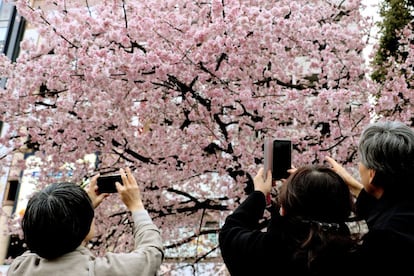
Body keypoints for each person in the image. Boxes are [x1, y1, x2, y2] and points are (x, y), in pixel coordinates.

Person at [7, 167, 164, 276]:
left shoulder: (19, 268)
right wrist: (136, 206)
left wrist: (78, 209)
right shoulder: (99, 271)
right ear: (85, 228)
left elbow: (48, 235)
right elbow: (151, 253)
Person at [219, 165, 361, 276]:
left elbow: (229, 231)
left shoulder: (264, 253)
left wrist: (259, 194)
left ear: (284, 209)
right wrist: (357, 188)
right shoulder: (359, 256)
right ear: (345, 208)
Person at [325, 120, 414, 274]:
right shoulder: (404, 210)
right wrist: (352, 184)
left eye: (360, 161)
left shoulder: (384, 238)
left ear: (372, 174)